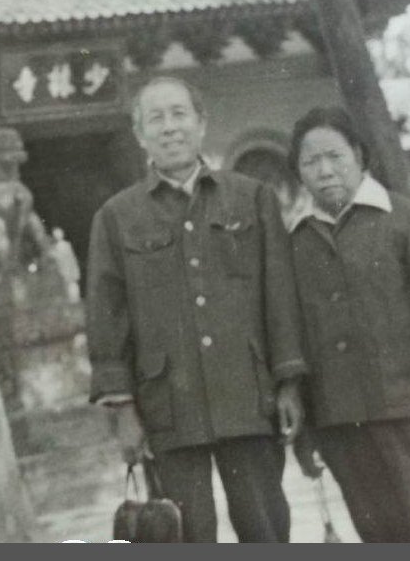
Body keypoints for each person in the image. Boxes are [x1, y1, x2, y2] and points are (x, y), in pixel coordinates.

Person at [86, 76, 306, 543]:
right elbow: (107, 319)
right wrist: (123, 410)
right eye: (156, 119)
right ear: (140, 134)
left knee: (265, 527)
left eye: (179, 114)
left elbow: (280, 296)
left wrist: (289, 382)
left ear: (201, 124)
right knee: (184, 533)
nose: (169, 128)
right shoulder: (115, 217)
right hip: (167, 405)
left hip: (248, 394)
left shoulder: (252, 197)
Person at [287, 106, 410, 543]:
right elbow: (295, 336)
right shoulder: (296, 240)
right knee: (379, 533)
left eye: (335, 156)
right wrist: (308, 428)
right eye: (311, 161)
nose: (325, 171)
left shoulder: (405, 218)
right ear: (298, 172)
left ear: (359, 156)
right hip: (342, 423)